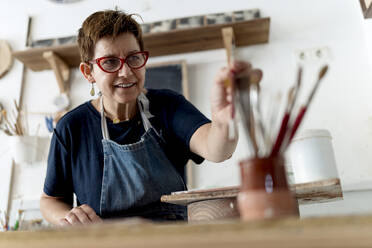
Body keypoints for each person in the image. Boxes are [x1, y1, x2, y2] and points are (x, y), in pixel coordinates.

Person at [40, 9, 262, 226]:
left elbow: (217, 149)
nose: (126, 72)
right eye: (109, 62)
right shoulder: (72, 128)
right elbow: (50, 200)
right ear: (88, 72)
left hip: (171, 241)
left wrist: (223, 119)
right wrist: (68, 217)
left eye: (134, 58)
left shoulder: (168, 106)